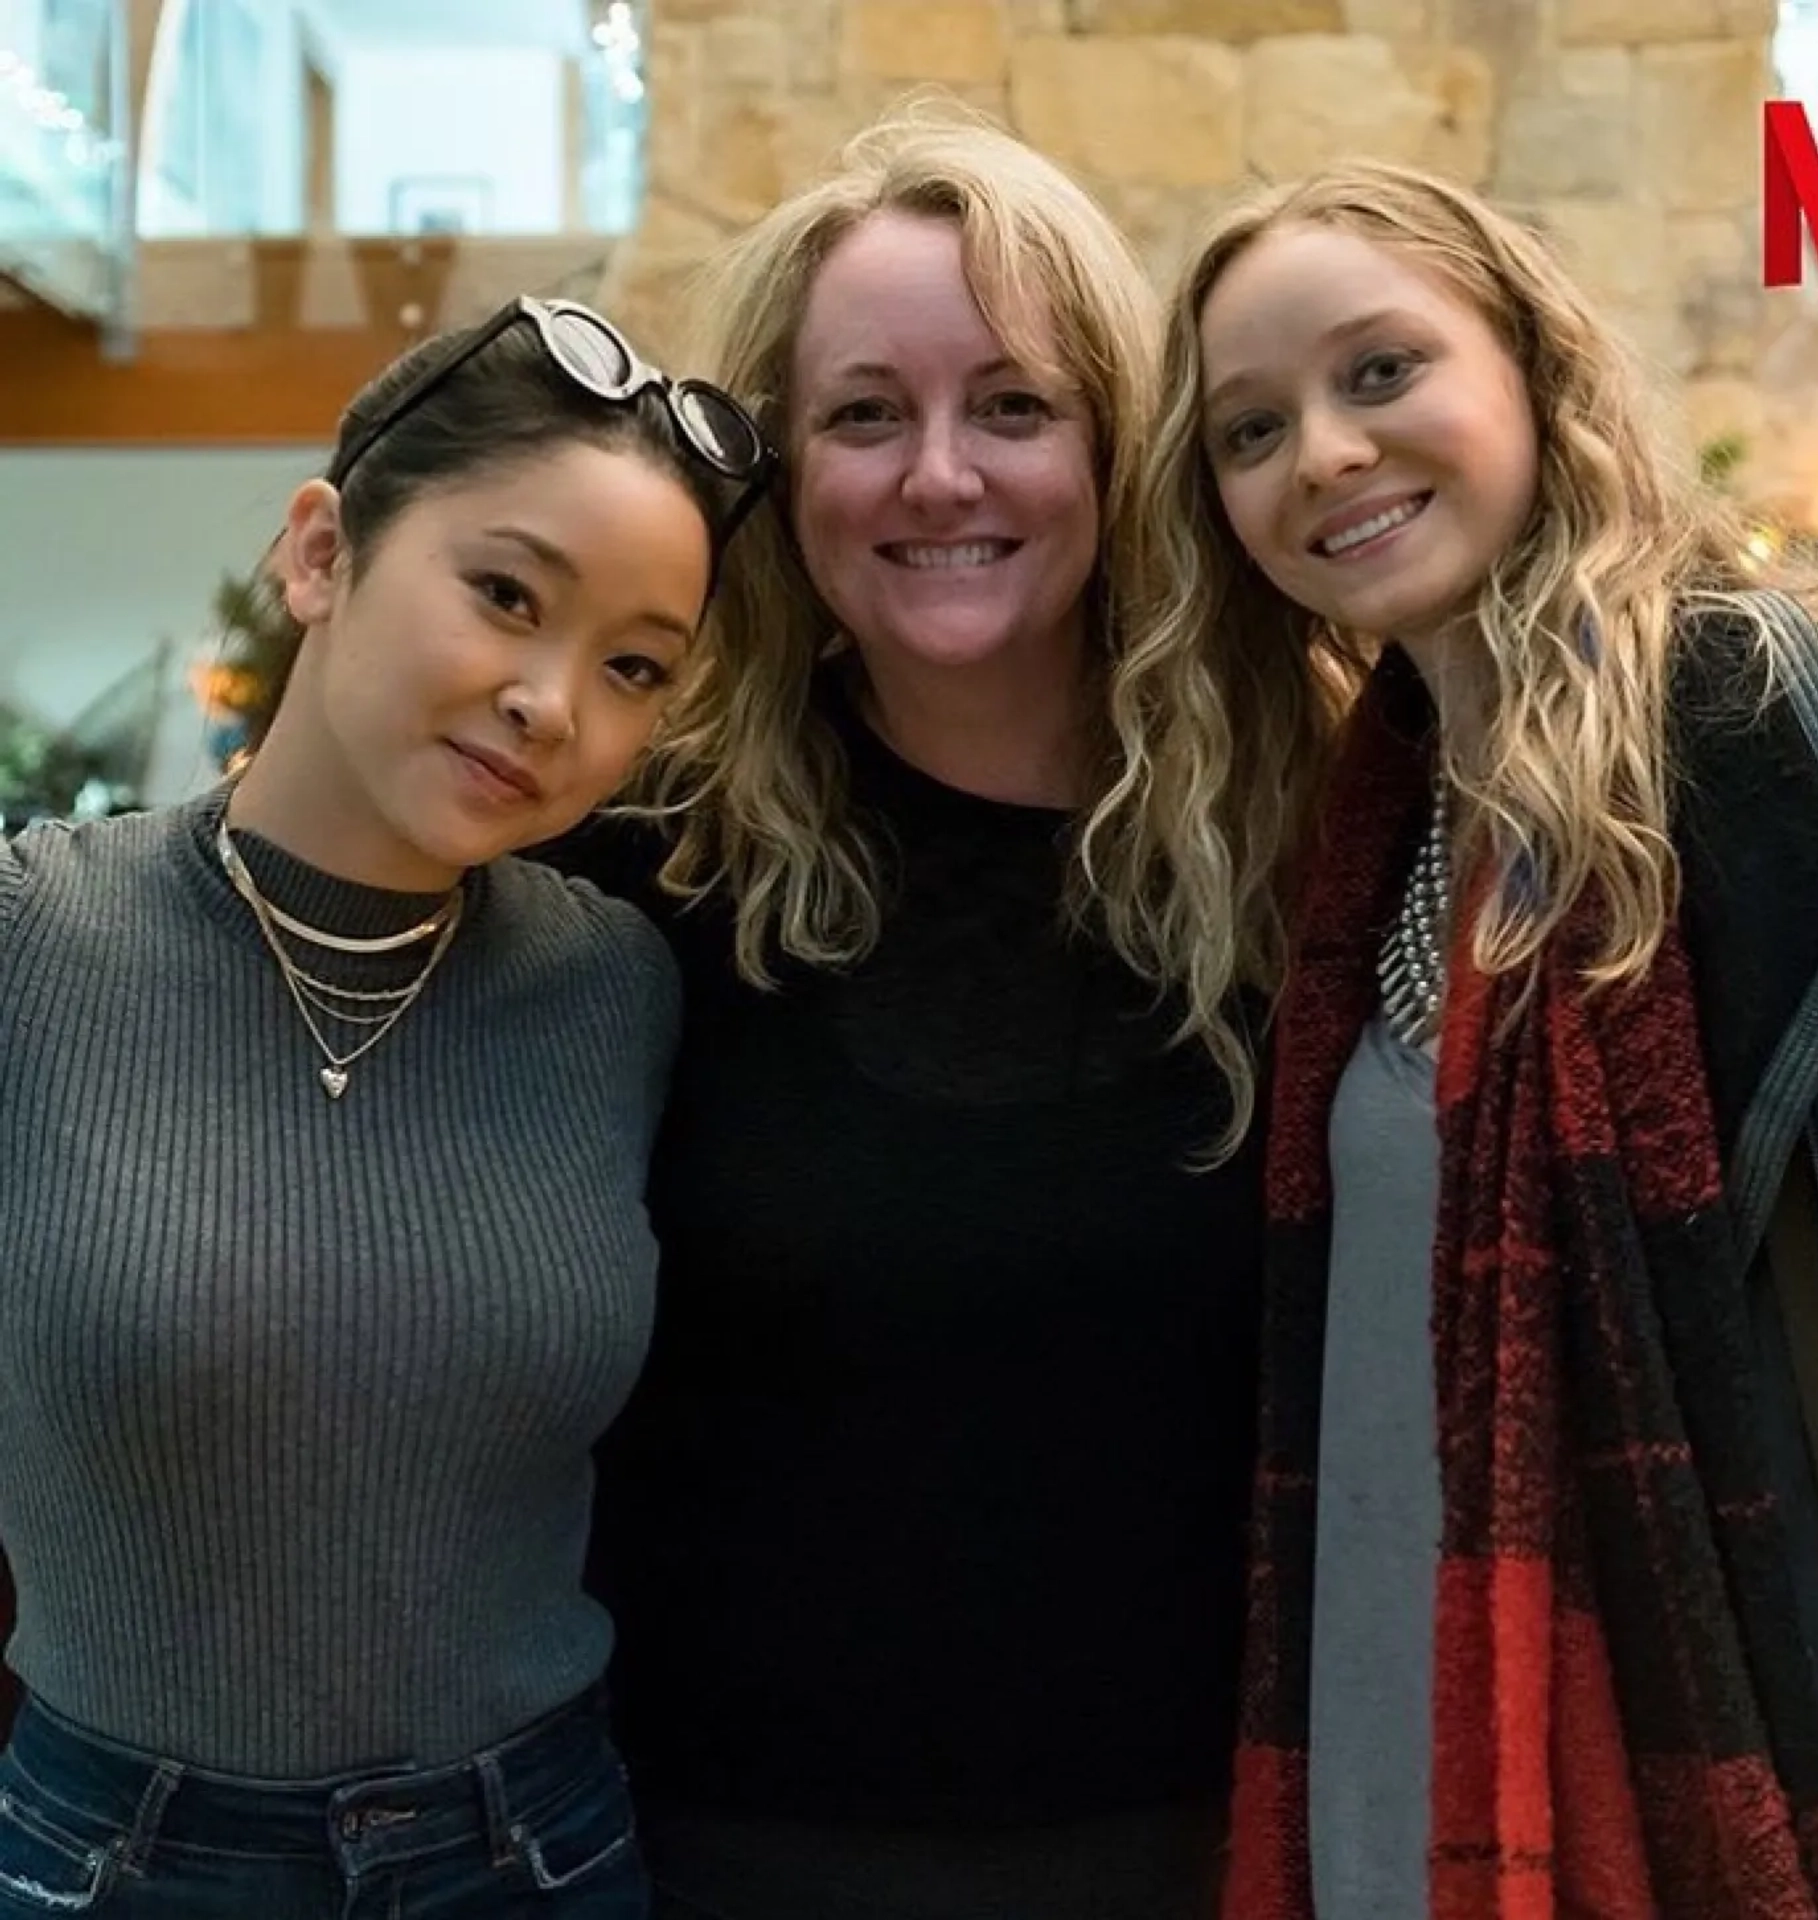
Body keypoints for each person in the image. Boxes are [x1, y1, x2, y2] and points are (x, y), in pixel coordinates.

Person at [1128, 157, 1818, 1919]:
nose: (1323, 451)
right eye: (1248, 432)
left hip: (1728, 1777)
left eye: (1382, 371)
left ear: (1535, 372)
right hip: (1396, 1783)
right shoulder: (1373, 833)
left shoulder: (1807, 772)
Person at [546, 110, 1270, 1920]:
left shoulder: (1295, 845)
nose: (940, 476)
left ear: (1118, 445)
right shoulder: (626, 860)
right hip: (712, 1848)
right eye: (867, 415)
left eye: (1013, 406)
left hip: (1217, 1847)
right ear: (785, 475)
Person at [0, 295, 771, 1917]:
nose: (553, 702)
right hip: (118, 1862)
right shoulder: (31, 942)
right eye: (505, 593)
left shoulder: (620, 991)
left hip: (539, 1850)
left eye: (634, 667)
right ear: (322, 553)